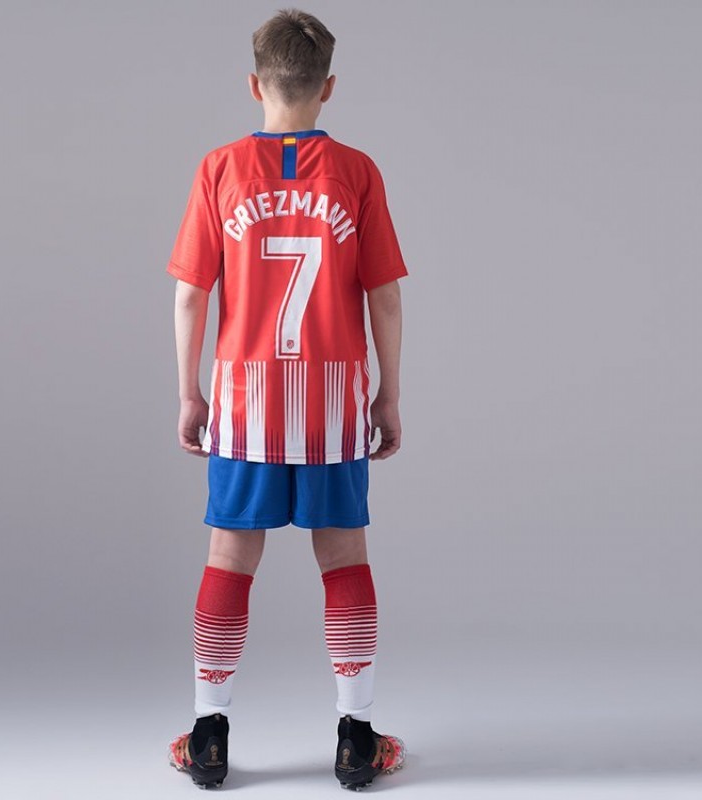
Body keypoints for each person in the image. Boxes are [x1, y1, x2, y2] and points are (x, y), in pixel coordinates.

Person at [164, 9, 408, 790]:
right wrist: (388, 396)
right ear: (328, 87)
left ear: (254, 84)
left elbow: (190, 296)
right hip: (333, 401)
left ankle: (208, 734)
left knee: (230, 559)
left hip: (246, 401)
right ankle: (357, 737)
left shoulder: (220, 168)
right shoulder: (358, 172)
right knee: (344, 559)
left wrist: (190, 393)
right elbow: (385, 297)